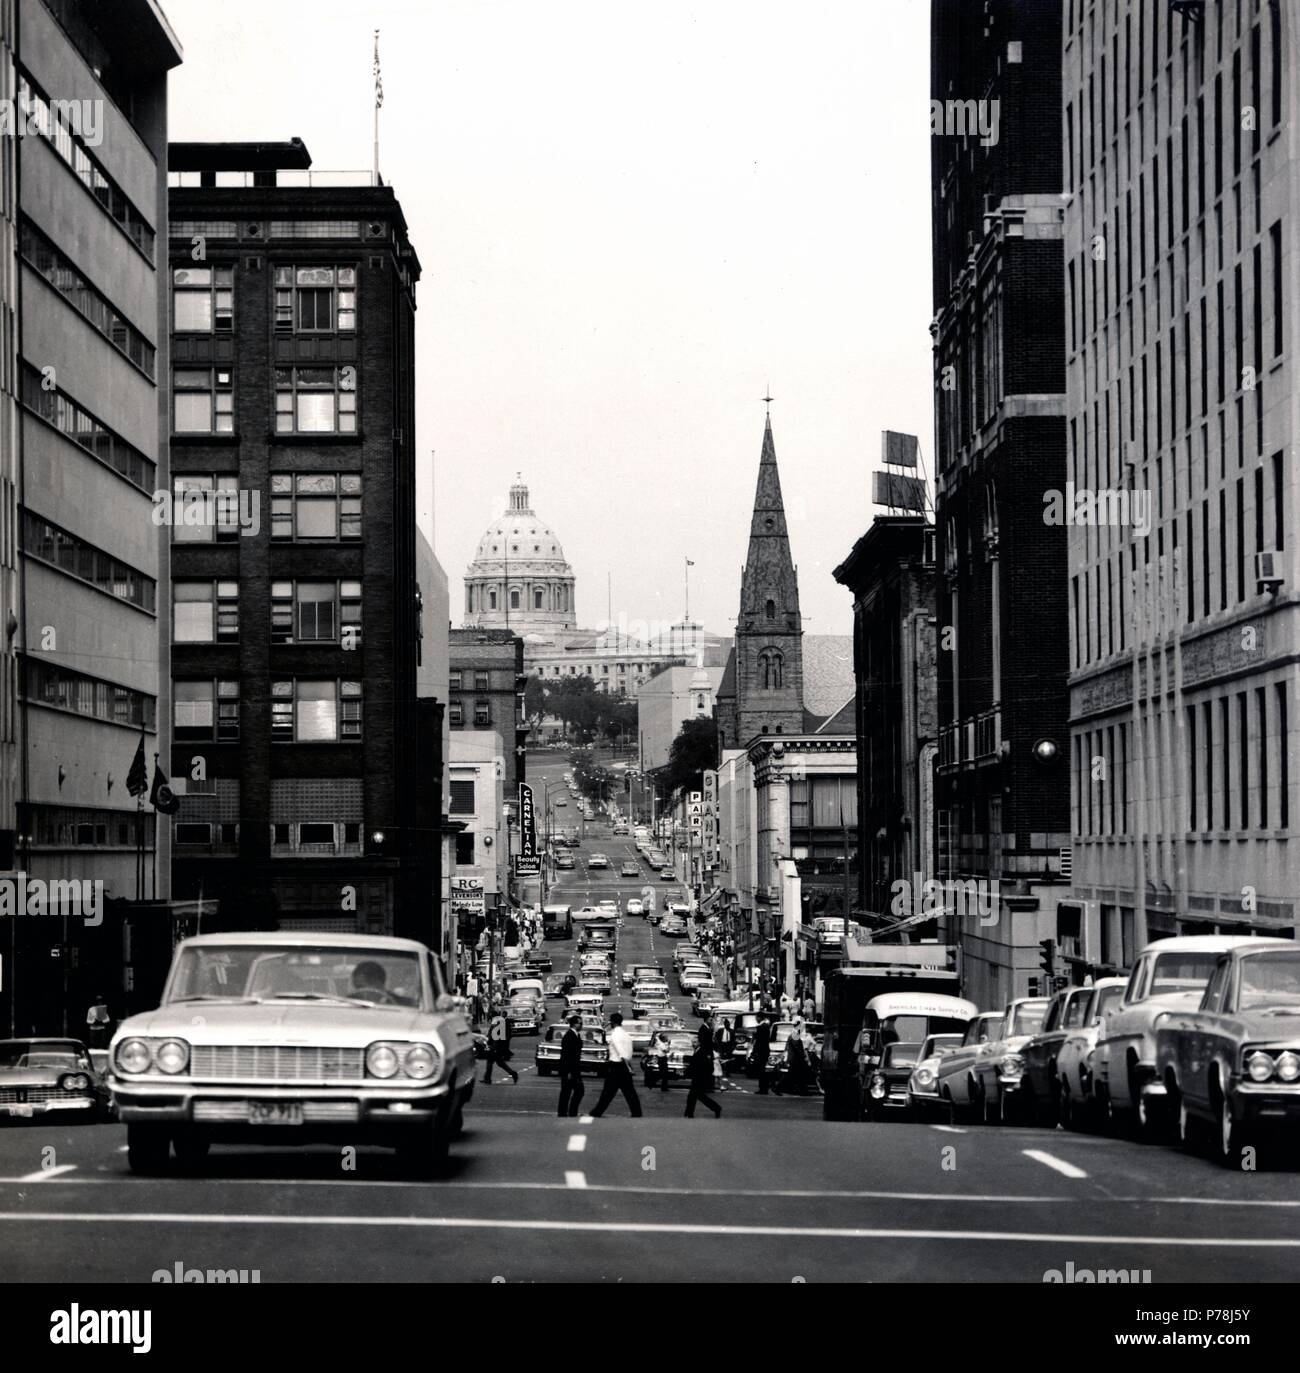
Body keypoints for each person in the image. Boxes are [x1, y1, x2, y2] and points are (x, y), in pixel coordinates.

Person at [588, 1012, 642, 1117]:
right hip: (624, 1066)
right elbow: (629, 1051)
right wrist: (628, 1065)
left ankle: (597, 1112)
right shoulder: (626, 1034)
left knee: (608, 1092)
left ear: (613, 1022)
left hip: (616, 1065)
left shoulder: (615, 1034)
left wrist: (626, 1064)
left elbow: (620, 1051)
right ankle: (637, 1112)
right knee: (629, 1092)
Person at [684, 1024, 722, 1118]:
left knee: (695, 1096)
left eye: (695, 1042)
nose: (693, 1044)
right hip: (698, 1077)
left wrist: (687, 1072)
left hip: (700, 1077)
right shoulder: (700, 1051)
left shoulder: (702, 1051)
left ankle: (715, 1108)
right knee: (697, 1096)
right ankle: (689, 1113)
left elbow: (699, 1065)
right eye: (692, 1042)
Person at [557, 1014, 585, 1117]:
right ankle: (566, 1113)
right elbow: (566, 1055)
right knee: (571, 1092)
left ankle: (568, 1112)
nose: (581, 1025)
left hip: (574, 1070)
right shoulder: (569, 1036)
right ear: (574, 1024)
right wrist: (568, 1072)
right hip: (570, 1070)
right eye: (580, 1023)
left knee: (572, 1092)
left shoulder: (576, 1035)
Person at [483, 1009, 518, 1084]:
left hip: (495, 1047)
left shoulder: (498, 1023)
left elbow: (497, 1036)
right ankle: (513, 1073)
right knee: (500, 1063)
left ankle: (487, 1079)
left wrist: (494, 1047)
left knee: (490, 1063)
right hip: (496, 1046)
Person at [751, 1014, 773, 1095]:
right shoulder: (766, 1026)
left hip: (761, 1051)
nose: (756, 1019)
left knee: (761, 1070)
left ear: (759, 1018)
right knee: (763, 1069)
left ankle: (763, 1088)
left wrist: (754, 1051)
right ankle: (764, 1088)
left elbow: (758, 1041)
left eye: (756, 1017)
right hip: (765, 1050)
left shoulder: (761, 1027)